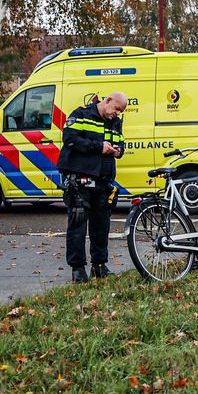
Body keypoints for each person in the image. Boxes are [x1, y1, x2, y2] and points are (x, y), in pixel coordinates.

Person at [58, 91, 127, 282]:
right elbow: (70, 139)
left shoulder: (114, 122)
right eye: (116, 109)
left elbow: (121, 142)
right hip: (80, 179)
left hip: (103, 181)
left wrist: (118, 150)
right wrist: (99, 147)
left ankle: (99, 266)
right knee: (78, 225)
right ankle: (78, 270)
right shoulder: (81, 114)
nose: (117, 114)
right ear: (108, 101)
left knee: (101, 226)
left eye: (120, 112)